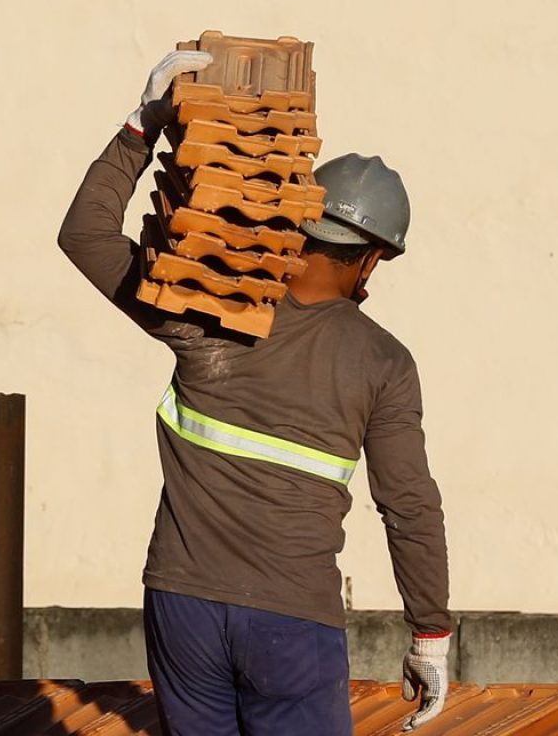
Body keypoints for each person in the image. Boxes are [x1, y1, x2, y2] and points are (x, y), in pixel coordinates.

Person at [59, 50, 451, 735]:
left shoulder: (205, 307)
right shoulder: (383, 363)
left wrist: (142, 125)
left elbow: (84, 235)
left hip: (182, 606)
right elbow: (409, 505)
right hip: (293, 624)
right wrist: (430, 635)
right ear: (373, 257)